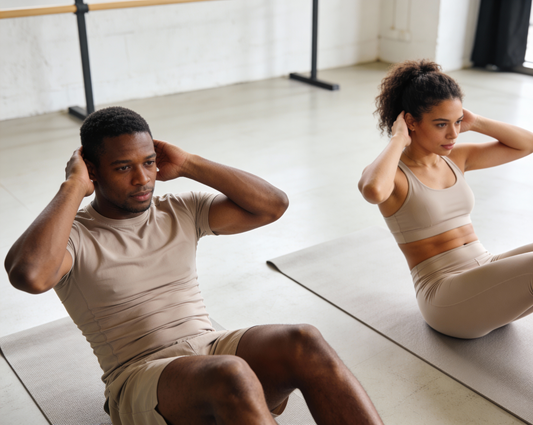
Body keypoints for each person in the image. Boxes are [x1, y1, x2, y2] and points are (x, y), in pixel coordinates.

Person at [5, 106, 383, 425]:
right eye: (123, 168)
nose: (142, 179)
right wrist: (72, 186)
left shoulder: (179, 210)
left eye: (148, 162)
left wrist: (188, 163)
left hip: (210, 348)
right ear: (92, 170)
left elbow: (273, 205)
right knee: (231, 372)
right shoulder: (73, 236)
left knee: (304, 339)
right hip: (140, 377)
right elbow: (30, 274)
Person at [358, 60, 533, 340]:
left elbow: (527, 143)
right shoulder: (395, 175)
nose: (452, 134)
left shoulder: (456, 159)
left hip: (485, 271)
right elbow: (373, 191)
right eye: (441, 124)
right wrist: (397, 140)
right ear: (411, 122)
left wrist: (476, 123)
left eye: (457, 122)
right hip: (445, 297)